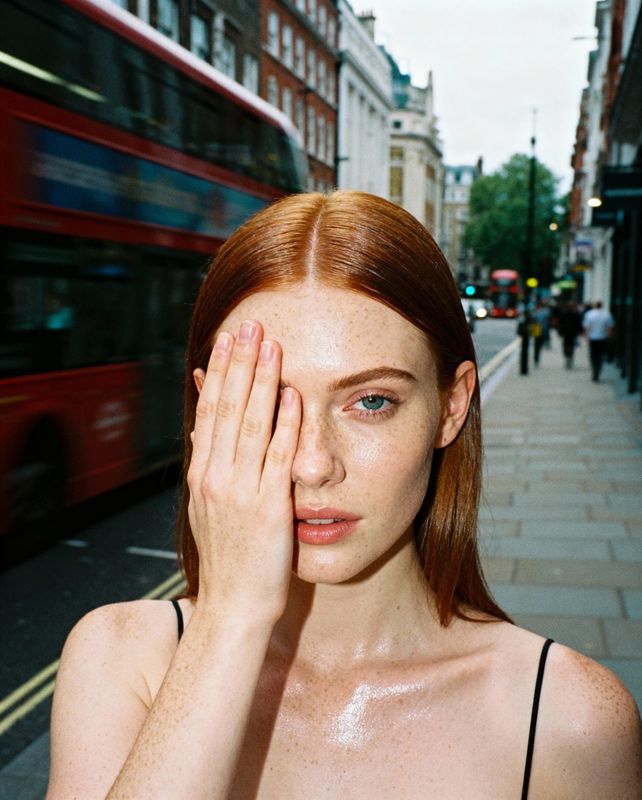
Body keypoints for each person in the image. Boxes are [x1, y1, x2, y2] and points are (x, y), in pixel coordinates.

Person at [46, 192, 641, 799]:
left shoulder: (569, 722)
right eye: (270, 403)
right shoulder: (121, 660)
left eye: (372, 402)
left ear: (452, 406)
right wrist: (230, 620)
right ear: (210, 411)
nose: (311, 465)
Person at [583, 300, 615, 382]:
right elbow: (610, 327)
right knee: (600, 355)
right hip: (602, 338)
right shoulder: (607, 314)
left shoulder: (589, 314)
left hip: (593, 338)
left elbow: (586, 327)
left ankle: (595, 369)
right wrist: (609, 337)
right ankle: (598, 369)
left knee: (593, 355)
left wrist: (586, 337)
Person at [556, 301, 583, 369]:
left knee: (566, 345)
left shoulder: (564, 313)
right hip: (572, 333)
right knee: (571, 346)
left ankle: (567, 357)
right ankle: (569, 357)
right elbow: (579, 324)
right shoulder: (576, 313)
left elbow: (560, 323)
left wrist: (560, 331)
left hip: (566, 332)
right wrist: (579, 331)